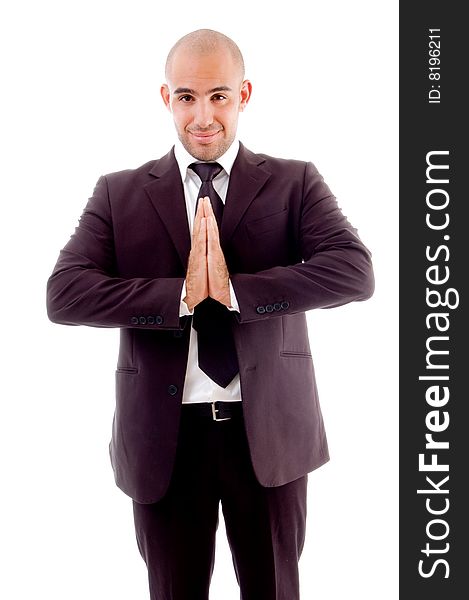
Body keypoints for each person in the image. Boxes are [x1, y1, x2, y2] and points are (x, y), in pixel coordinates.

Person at [47, 28, 374, 600]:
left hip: (268, 435)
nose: (203, 115)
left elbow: (353, 271)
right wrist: (179, 296)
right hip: (165, 442)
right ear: (165, 98)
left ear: (244, 94)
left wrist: (236, 292)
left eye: (219, 96)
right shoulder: (118, 192)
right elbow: (65, 294)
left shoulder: (295, 181)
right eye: (187, 97)